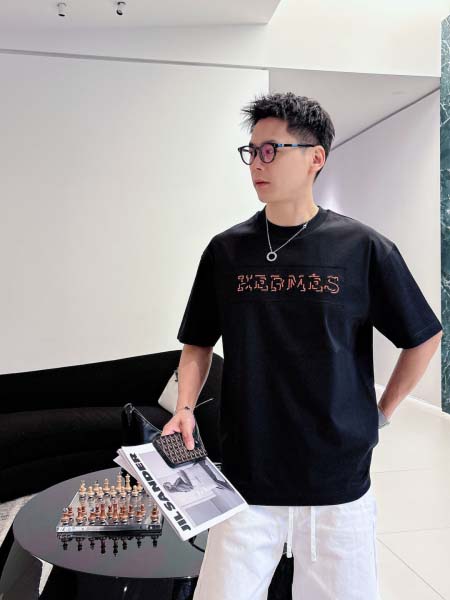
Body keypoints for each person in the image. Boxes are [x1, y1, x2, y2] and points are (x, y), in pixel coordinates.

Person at [161, 92, 443, 599]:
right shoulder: (226, 251)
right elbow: (198, 343)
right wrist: (183, 408)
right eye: (251, 151)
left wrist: (381, 412)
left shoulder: (362, 248)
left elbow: (423, 336)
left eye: (271, 150)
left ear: (316, 157)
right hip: (247, 477)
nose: (257, 164)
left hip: (337, 482)